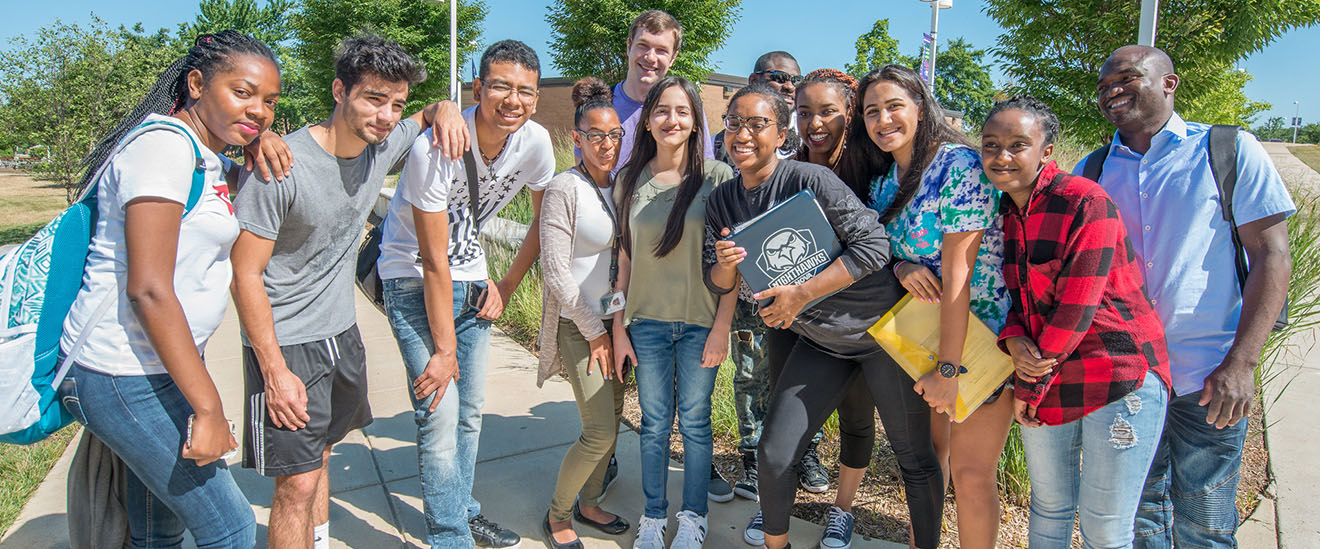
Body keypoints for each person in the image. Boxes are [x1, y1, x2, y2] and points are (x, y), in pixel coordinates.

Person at [56, 30, 285, 548]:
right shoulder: (162, 148)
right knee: (230, 526)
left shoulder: (202, 155)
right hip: (123, 372)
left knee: (157, 530)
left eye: (269, 101)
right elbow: (149, 289)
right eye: (243, 92)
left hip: (153, 367)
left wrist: (258, 138)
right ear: (197, 83)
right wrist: (207, 408)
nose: (259, 110)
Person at [230, 34, 453, 549]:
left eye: (394, 103)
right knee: (296, 484)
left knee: (324, 455)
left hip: (341, 332)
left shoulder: (381, 145)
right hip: (287, 343)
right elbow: (244, 274)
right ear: (339, 91)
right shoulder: (280, 168)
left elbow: (425, 116)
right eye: (374, 98)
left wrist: (444, 110)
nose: (386, 114)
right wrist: (274, 369)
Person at [707, 83, 939, 549]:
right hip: (821, 343)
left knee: (914, 458)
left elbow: (874, 246)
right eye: (735, 123)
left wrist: (799, 294)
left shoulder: (810, 182)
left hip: (882, 335)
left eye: (758, 124)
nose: (744, 134)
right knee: (774, 455)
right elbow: (718, 283)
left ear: (781, 134)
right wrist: (724, 265)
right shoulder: (722, 200)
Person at [1082, 46, 1294, 548]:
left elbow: (1273, 256)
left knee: (1206, 519)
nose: (1112, 89)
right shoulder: (1091, 170)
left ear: (1169, 83)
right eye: (1103, 84)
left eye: (1128, 77)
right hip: (1129, 376)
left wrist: (1242, 363)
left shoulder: (1228, 150)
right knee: (1140, 515)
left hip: (1210, 373)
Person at [375, 39, 555, 548]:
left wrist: (506, 284)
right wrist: (444, 350)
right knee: (440, 410)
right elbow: (432, 259)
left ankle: (462, 509)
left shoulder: (536, 143)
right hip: (411, 278)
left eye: (525, 90)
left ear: (537, 98)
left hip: (473, 280)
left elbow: (543, 219)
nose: (512, 100)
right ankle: (449, 536)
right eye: (499, 86)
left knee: (470, 412)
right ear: (479, 88)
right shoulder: (437, 144)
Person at [982, 94, 1173, 548]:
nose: (1002, 156)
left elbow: (1076, 307)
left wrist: (1029, 384)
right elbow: (1017, 296)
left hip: (1117, 371)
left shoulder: (1085, 201)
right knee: (1048, 508)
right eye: (990, 145)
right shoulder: (1005, 211)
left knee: (1105, 527)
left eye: (1017, 145)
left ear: (1046, 151)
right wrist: (1012, 339)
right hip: (1051, 371)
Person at [843, 64, 1013, 549]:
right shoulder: (882, 181)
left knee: (972, 474)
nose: (883, 119)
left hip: (977, 340)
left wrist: (950, 367)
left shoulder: (959, 166)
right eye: (872, 111)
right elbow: (886, 252)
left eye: (894, 105)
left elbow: (959, 275)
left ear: (921, 106)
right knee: (928, 464)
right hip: (921, 338)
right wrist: (899, 269)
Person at [611, 75, 736, 549]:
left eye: (682, 111)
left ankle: (693, 516)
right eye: (662, 110)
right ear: (647, 122)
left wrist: (723, 326)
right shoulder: (629, 181)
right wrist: (619, 328)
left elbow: (732, 259)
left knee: (697, 422)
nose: (672, 119)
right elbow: (623, 259)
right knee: (655, 425)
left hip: (702, 322)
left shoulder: (718, 177)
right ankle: (654, 515)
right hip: (645, 324)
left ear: (695, 121)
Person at [536, 77, 632, 548]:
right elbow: (555, 270)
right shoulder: (563, 188)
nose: (607, 144)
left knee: (613, 423)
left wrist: (616, 327)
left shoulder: (622, 186)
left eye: (614, 135)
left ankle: (590, 502)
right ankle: (557, 514)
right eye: (596, 135)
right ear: (577, 139)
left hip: (615, 326)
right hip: (579, 328)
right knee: (597, 430)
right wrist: (595, 331)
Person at [608, 10, 715, 170]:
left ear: (673, 58)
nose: (650, 57)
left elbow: (703, 169)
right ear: (629, 46)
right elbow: (585, 174)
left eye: (661, 50)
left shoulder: (687, 107)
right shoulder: (602, 104)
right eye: (643, 46)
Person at [714, 51, 802, 165]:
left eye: (797, 80)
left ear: (781, 136)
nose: (790, 86)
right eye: (779, 77)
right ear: (753, 81)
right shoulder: (719, 145)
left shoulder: (809, 138)